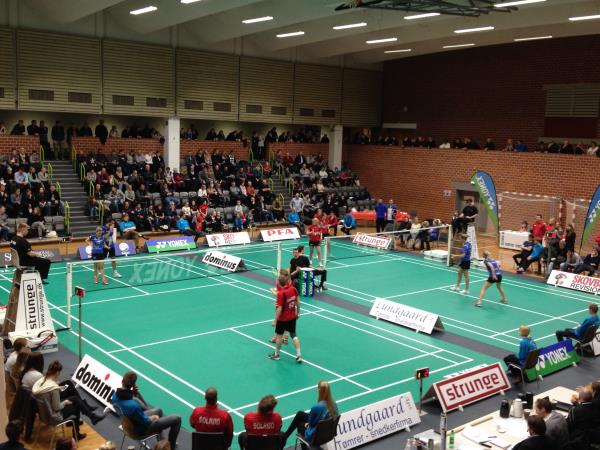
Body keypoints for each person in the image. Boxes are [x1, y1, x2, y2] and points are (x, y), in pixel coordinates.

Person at [32, 361, 104, 440]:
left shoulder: (42, 380)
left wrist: (57, 387)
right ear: (57, 373)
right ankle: (77, 433)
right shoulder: (53, 388)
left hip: (44, 412)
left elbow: (49, 394)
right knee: (75, 403)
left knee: (68, 383)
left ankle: (88, 411)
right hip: (53, 416)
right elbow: (57, 407)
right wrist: (65, 402)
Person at [112, 371, 181, 450]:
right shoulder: (133, 405)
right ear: (133, 384)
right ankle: (171, 447)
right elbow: (146, 415)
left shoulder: (114, 397)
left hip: (127, 426)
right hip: (139, 431)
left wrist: (134, 393)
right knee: (177, 419)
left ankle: (162, 443)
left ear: (122, 381)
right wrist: (153, 417)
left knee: (159, 410)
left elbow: (129, 401)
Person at [283, 381, 338, 448]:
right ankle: (285, 436)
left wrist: (307, 425)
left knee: (300, 424)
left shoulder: (316, 407)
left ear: (319, 390)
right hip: (329, 434)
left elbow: (311, 424)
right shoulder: (334, 404)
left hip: (316, 436)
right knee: (300, 414)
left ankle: (285, 438)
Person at [268, 272, 302, 363]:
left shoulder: (281, 293)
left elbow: (279, 308)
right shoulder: (293, 289)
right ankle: (299, 355)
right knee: (294, 335)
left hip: (282, 319)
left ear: (279, 283)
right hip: (292, 317)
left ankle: (276, 355)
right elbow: (298, 303)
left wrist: (275, 320)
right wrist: (298, 313)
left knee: (279, 337)